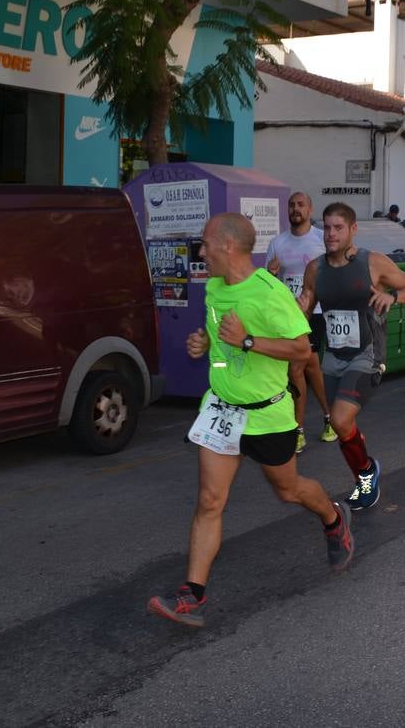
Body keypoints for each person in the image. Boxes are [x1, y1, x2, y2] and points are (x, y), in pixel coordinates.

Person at [148, 213, 354, 628]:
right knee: (209, 501)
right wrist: (203, 341)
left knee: (289, 490)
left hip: (267, 416)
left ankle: (333, 518)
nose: (201, 252)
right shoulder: (215, 288)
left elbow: (302, 350)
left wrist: (246, 340)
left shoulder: (269, 293)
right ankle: (192, 595)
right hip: (223, 409)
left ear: (227, 246)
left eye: (206, 244)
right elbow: (217, 336)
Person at [298, 202, 405, 511]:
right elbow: (304, 305)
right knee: (343, 426)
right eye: (327, 227)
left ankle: (366, 473)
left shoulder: (373, 262)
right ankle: (364, 475)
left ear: (353, 230)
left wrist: (391, 295)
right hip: (334, 354)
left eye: (338, 227)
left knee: (340, 419)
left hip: (367, 353)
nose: (331, 234)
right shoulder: (315, 268)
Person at [265, 191, 334, 452]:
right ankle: (329, 418)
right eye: (292, 205)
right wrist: (271, 274)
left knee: (296, 369)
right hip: (287, 318)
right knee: (312, 369)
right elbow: (269, 284)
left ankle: (298, 431)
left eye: (301, 205)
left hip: (314, 314)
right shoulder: (278, 243)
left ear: (310, 209)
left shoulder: (320, 239)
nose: (296, 209)